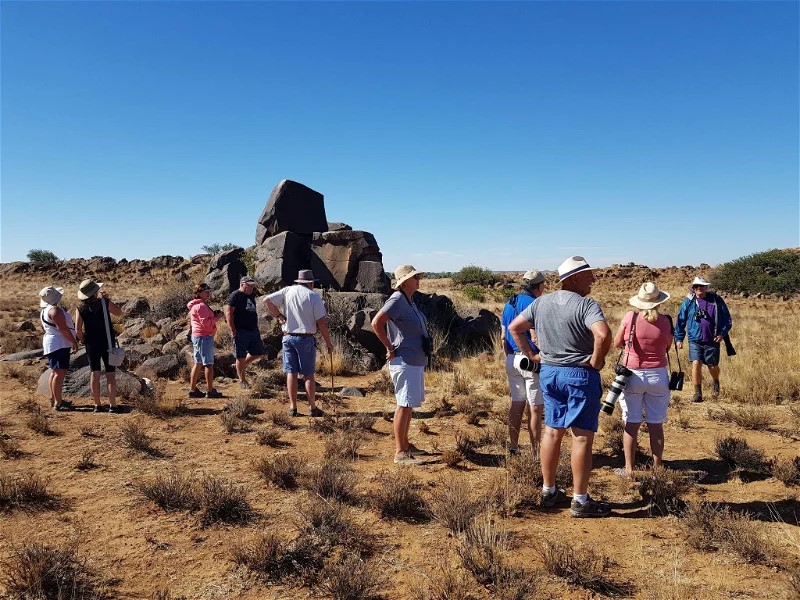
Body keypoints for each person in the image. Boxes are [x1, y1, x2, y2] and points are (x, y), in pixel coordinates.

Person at [509, 256, 612, 518]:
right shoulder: (586, 305)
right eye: (589, 274)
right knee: (581, 436)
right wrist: (597, 362)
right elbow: (602, 334)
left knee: (552, 432)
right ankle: (580, 500)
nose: (593, 279)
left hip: (550, 373)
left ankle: (549, 490)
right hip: (579, 374)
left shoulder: (541, 302)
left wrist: (532, 356)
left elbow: (514, 327)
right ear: (574, 277)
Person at [612, 282, 673, 477]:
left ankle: (629, 470)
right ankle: (657, 470)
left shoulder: (631, 317)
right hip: (658, 375)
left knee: (632, 423)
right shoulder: (666, 321)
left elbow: (617, 343)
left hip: (633, 375)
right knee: (656, 424)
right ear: (659, 301)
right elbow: (667, 347)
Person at [371, 264, 430, 465]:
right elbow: (376, 323)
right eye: (415, 277)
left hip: (414, 359)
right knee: (403, 405)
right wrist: (389, 348)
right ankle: (400, 452)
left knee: (409, 404)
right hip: (404, 360)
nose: (418, 280)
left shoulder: (409, 300)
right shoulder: (396, 299)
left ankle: (406, 444)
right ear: (404, 281)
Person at [264, 269, 334, 417]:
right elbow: (321, 323)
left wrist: (278, 315)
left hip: (288, 337)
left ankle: (293, 407)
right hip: (305, 338)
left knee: (291, 372)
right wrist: (328, 342)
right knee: (308, 375)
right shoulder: (313, 296)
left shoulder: (287, 290)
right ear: (310, 282)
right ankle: (312, 408)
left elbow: (267, 300)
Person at [500, 269, 546, 457]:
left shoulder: (509, 304)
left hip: (512, 359)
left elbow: (503, 337)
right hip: (531, 360)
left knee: (516, 403)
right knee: (535, 408)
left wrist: (508, 357)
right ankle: (535, 453)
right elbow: (537, 338)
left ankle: (513, 447)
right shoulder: (536, 304)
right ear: (539, 286)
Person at [674, 276, 733, 403]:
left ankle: (716, 381)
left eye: (701, 286)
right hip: (694, 339)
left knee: (712, 366)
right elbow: (681, 320)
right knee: (696, 363)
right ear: (693, 288)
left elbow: (727, 319)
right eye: (696, 286)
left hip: (713, 339)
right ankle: (698, 393)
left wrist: (722, 334)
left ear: (706, 287)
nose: (699, 288)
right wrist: (679, 338)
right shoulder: (688, 302)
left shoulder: (716, 300)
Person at [74, 279, 123, 413]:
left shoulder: (80, 308)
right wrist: (107, 298)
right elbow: (119, 313)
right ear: (95, 292)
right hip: (107, 341)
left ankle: (97, 405)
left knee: (94, 373)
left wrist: (83, 340)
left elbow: (78, 329)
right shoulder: (104, 302)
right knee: (110, 374)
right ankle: (113, 405)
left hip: (91, 343)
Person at [39, 286, 79, 411]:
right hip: (59, 344)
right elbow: (63, 328)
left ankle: (54, 398)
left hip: (53, 343)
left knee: (55, 372)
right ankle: (58, 402)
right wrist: (73, 342)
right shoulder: (55, 311)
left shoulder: (46, 310)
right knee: (60, 373)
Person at [226, 275, 265, 389]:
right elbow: (229, 313)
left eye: (252, 285)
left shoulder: (252, 295)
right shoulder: (235, 295)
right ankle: (242, 381)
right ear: (242, 284)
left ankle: (239, 367)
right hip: (240, 330)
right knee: (240, 355)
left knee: (258, 352)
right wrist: (232, 329)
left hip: (253, 329)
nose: (251, 287)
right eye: (249, 285)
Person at [187, 283, 224, 399]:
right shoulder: (201, 306)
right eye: (205, 292)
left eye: (209, 291)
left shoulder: (197, 305)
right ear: (198, 293)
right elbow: (206, 323)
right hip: (204, 336)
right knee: (208, 364)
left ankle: (193, 389)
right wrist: (217, 317)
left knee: (198, 363)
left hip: (198, 336)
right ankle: (210, 390)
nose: (208, 293)